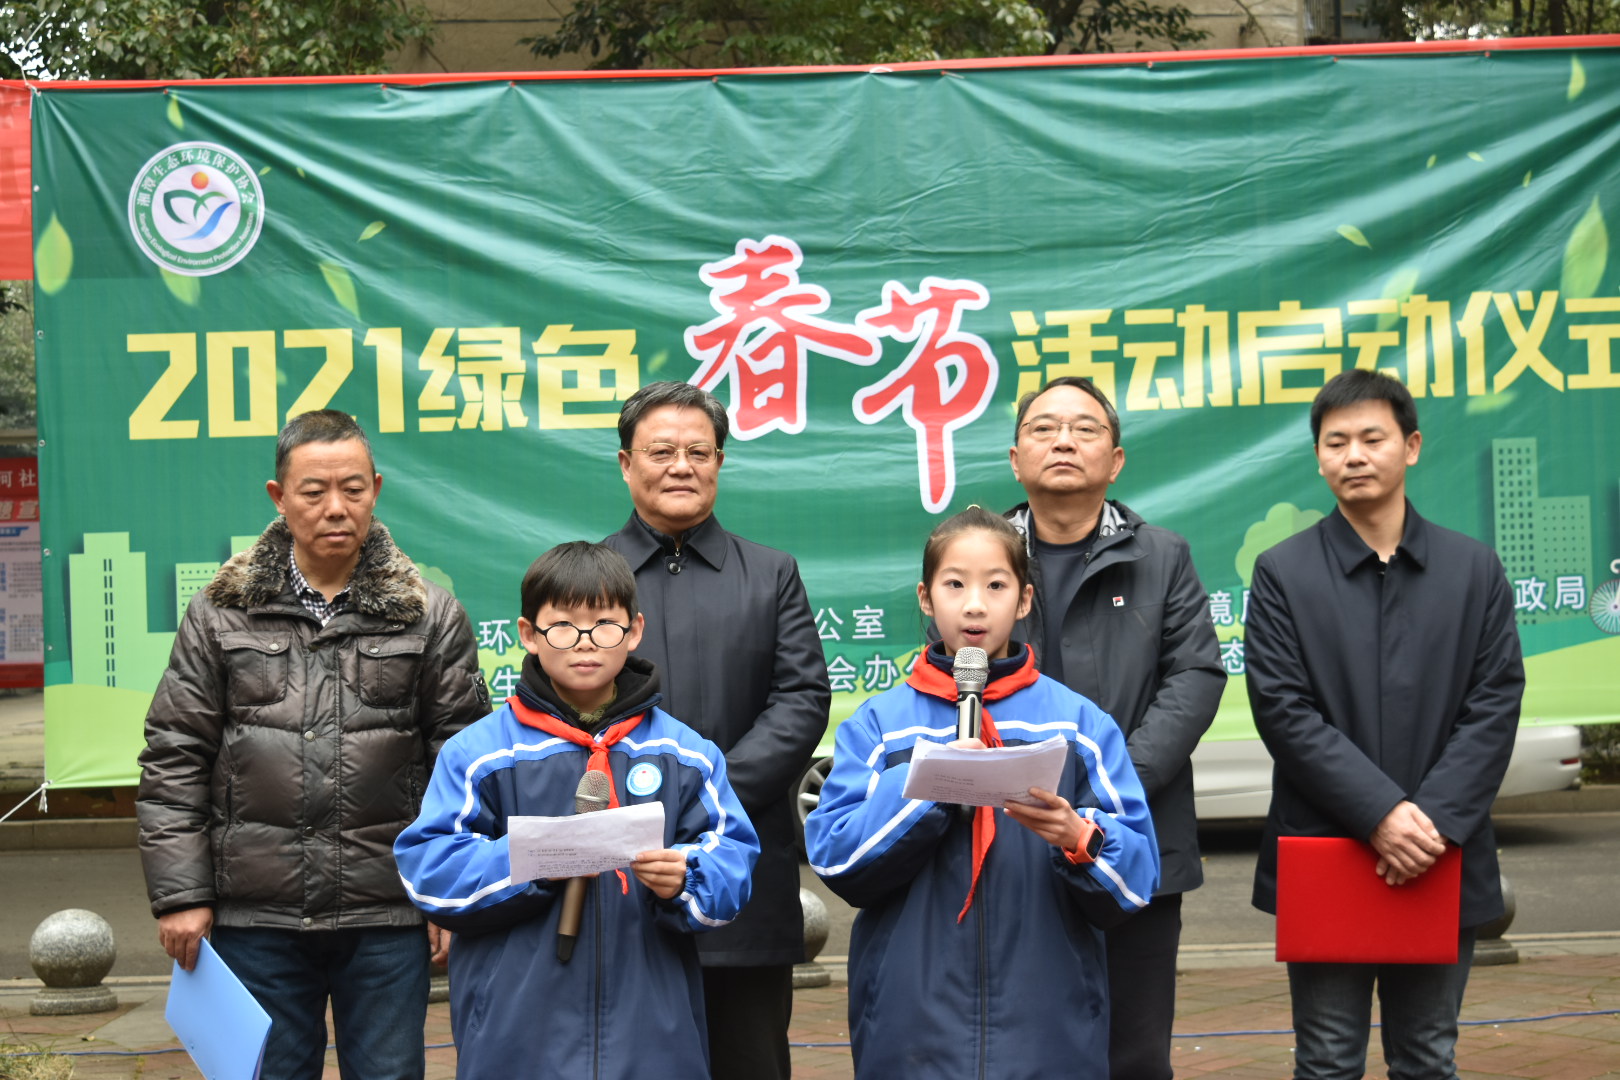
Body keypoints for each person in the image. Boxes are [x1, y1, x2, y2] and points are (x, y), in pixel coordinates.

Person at [136, 409, 490, 1080]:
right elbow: (175, 754)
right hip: (255, 916)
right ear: (279, 496)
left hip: (387, 914)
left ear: (375, 490)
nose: (336, 507)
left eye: (352, 489)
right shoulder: (221, 612)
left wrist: (451, 893)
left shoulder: (429, 613)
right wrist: (181, 894)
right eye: (314, 491)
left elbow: (463, 765)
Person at [805, 507, 1159, 1079]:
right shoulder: (880, 726)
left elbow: (1138, 880)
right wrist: (931, 785)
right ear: (926, 598)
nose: (974, 605)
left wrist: (1080, 838)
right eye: (955, 584)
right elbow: (837, 859)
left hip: (1048, 1026)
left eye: (996, 585)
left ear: (1024, 600)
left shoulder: (1078, 725)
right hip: (913, 1026)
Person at [1245, 369, 1524, 1080]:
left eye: (1373, 438)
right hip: (1327, 848)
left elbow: (1494, 703)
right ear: (1318, 458)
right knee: (1327, 1059)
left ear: (1412, 446)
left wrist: (1427, 825)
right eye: (1336, 442)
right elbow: (1283, 708)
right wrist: (1380, 814)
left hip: (1438, 851)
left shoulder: (1473, 570)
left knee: (1428, 1056)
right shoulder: (1283, 573)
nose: (1355, 456)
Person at [393, 542, 760, 1079]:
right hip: (517, 1039)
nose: (585, 642)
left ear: (634, 631)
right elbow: (430, 872)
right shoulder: (480, 754)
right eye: (563, 626)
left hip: (652, 1038)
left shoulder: (686, 755)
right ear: (528, 634)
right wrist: (540, 858)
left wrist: (686, 877)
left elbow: (733, 862)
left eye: (604, 625)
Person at [602, 381, 829, 1080]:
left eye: (698, 452)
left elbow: (801, 699)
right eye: (661, 451)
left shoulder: (771, 574)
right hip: (623, 870)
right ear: (626, 463)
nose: (681, 466)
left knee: (749, 1058)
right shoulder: (590, 578)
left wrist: (710, 796)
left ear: (719, 463)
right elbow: (563, 708)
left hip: (743, 868)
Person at [1004, 375, 1224, 1080]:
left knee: (1133, 1052)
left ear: (1117, 459)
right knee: (1020, 1048)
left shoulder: (1163, 557)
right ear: (1015, 458)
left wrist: (1114, 785)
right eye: (1044, 428)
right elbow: (950, 683)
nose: (1063, 441)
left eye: (1085, 428)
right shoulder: (981, 557)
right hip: (1012, 841)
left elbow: (1195, 678)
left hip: (1134, 837)